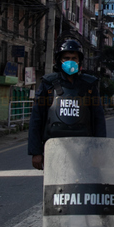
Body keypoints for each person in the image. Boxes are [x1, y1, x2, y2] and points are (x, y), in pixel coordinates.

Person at [28, 38, 106, 170]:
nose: (70, 61)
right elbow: (37, 118)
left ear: (79, 60)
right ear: (59, 60)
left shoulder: (89, 84)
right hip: (54, 146)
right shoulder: (48, 84)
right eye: (66, 58)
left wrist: (100, 149)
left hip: (84, 146)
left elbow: (98, 118)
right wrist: (36, 152)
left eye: (74, 58)